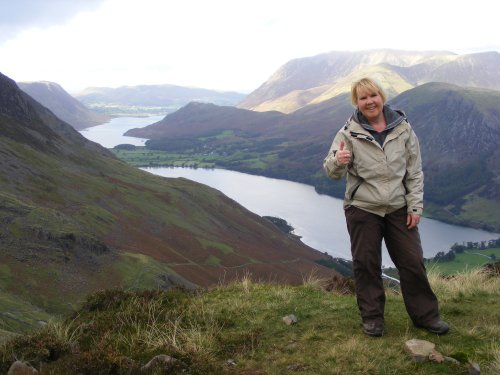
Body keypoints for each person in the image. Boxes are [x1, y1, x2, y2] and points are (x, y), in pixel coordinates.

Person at [323, 77, 449, 337]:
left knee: (412, 262)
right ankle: (372, 318)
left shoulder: (403, 129)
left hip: (398, 208)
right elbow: (331, 171)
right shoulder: (348, 132)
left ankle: (427, 316)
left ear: (382, 97)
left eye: (373, 96)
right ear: (356, 102)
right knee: (366, 263)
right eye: (362, 98)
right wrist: (339, 160)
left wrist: (415, 206)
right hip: (363, 208)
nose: (369, 102)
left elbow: (414, 171)